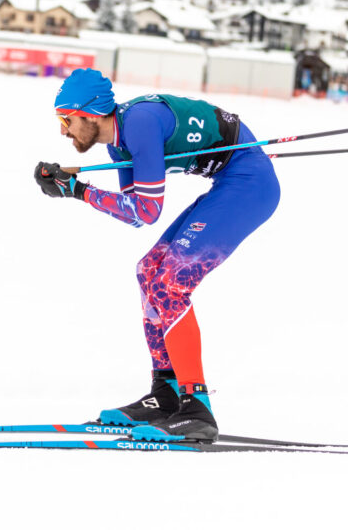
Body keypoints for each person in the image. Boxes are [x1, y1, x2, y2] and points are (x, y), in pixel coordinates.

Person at [34, 68, 281, 442]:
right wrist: (74, 187)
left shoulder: (140, 124)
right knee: (149, 271)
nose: (63, 131)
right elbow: (135, 212)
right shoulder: (120, 141)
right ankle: (166, 394)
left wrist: (78, 191)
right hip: (229, 182)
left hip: (250, 185)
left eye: (65, 120)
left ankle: (197, 409)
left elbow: (147, 211)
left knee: (171, 282)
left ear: (90, 114)